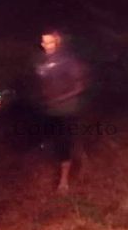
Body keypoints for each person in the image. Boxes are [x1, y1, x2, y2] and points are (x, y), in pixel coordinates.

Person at [35, 29, 88, 192]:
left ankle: (64, 180)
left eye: (50, 42)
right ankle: (75, 157)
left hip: (67, 109)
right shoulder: (41, 61)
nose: (46, 45)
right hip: (49, 109)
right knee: (54, 139)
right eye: (44, 42)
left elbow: (79, 86)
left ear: (57, 42)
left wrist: (58, 98)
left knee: (64, 142)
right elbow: (43, 82)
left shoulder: (68, 61)